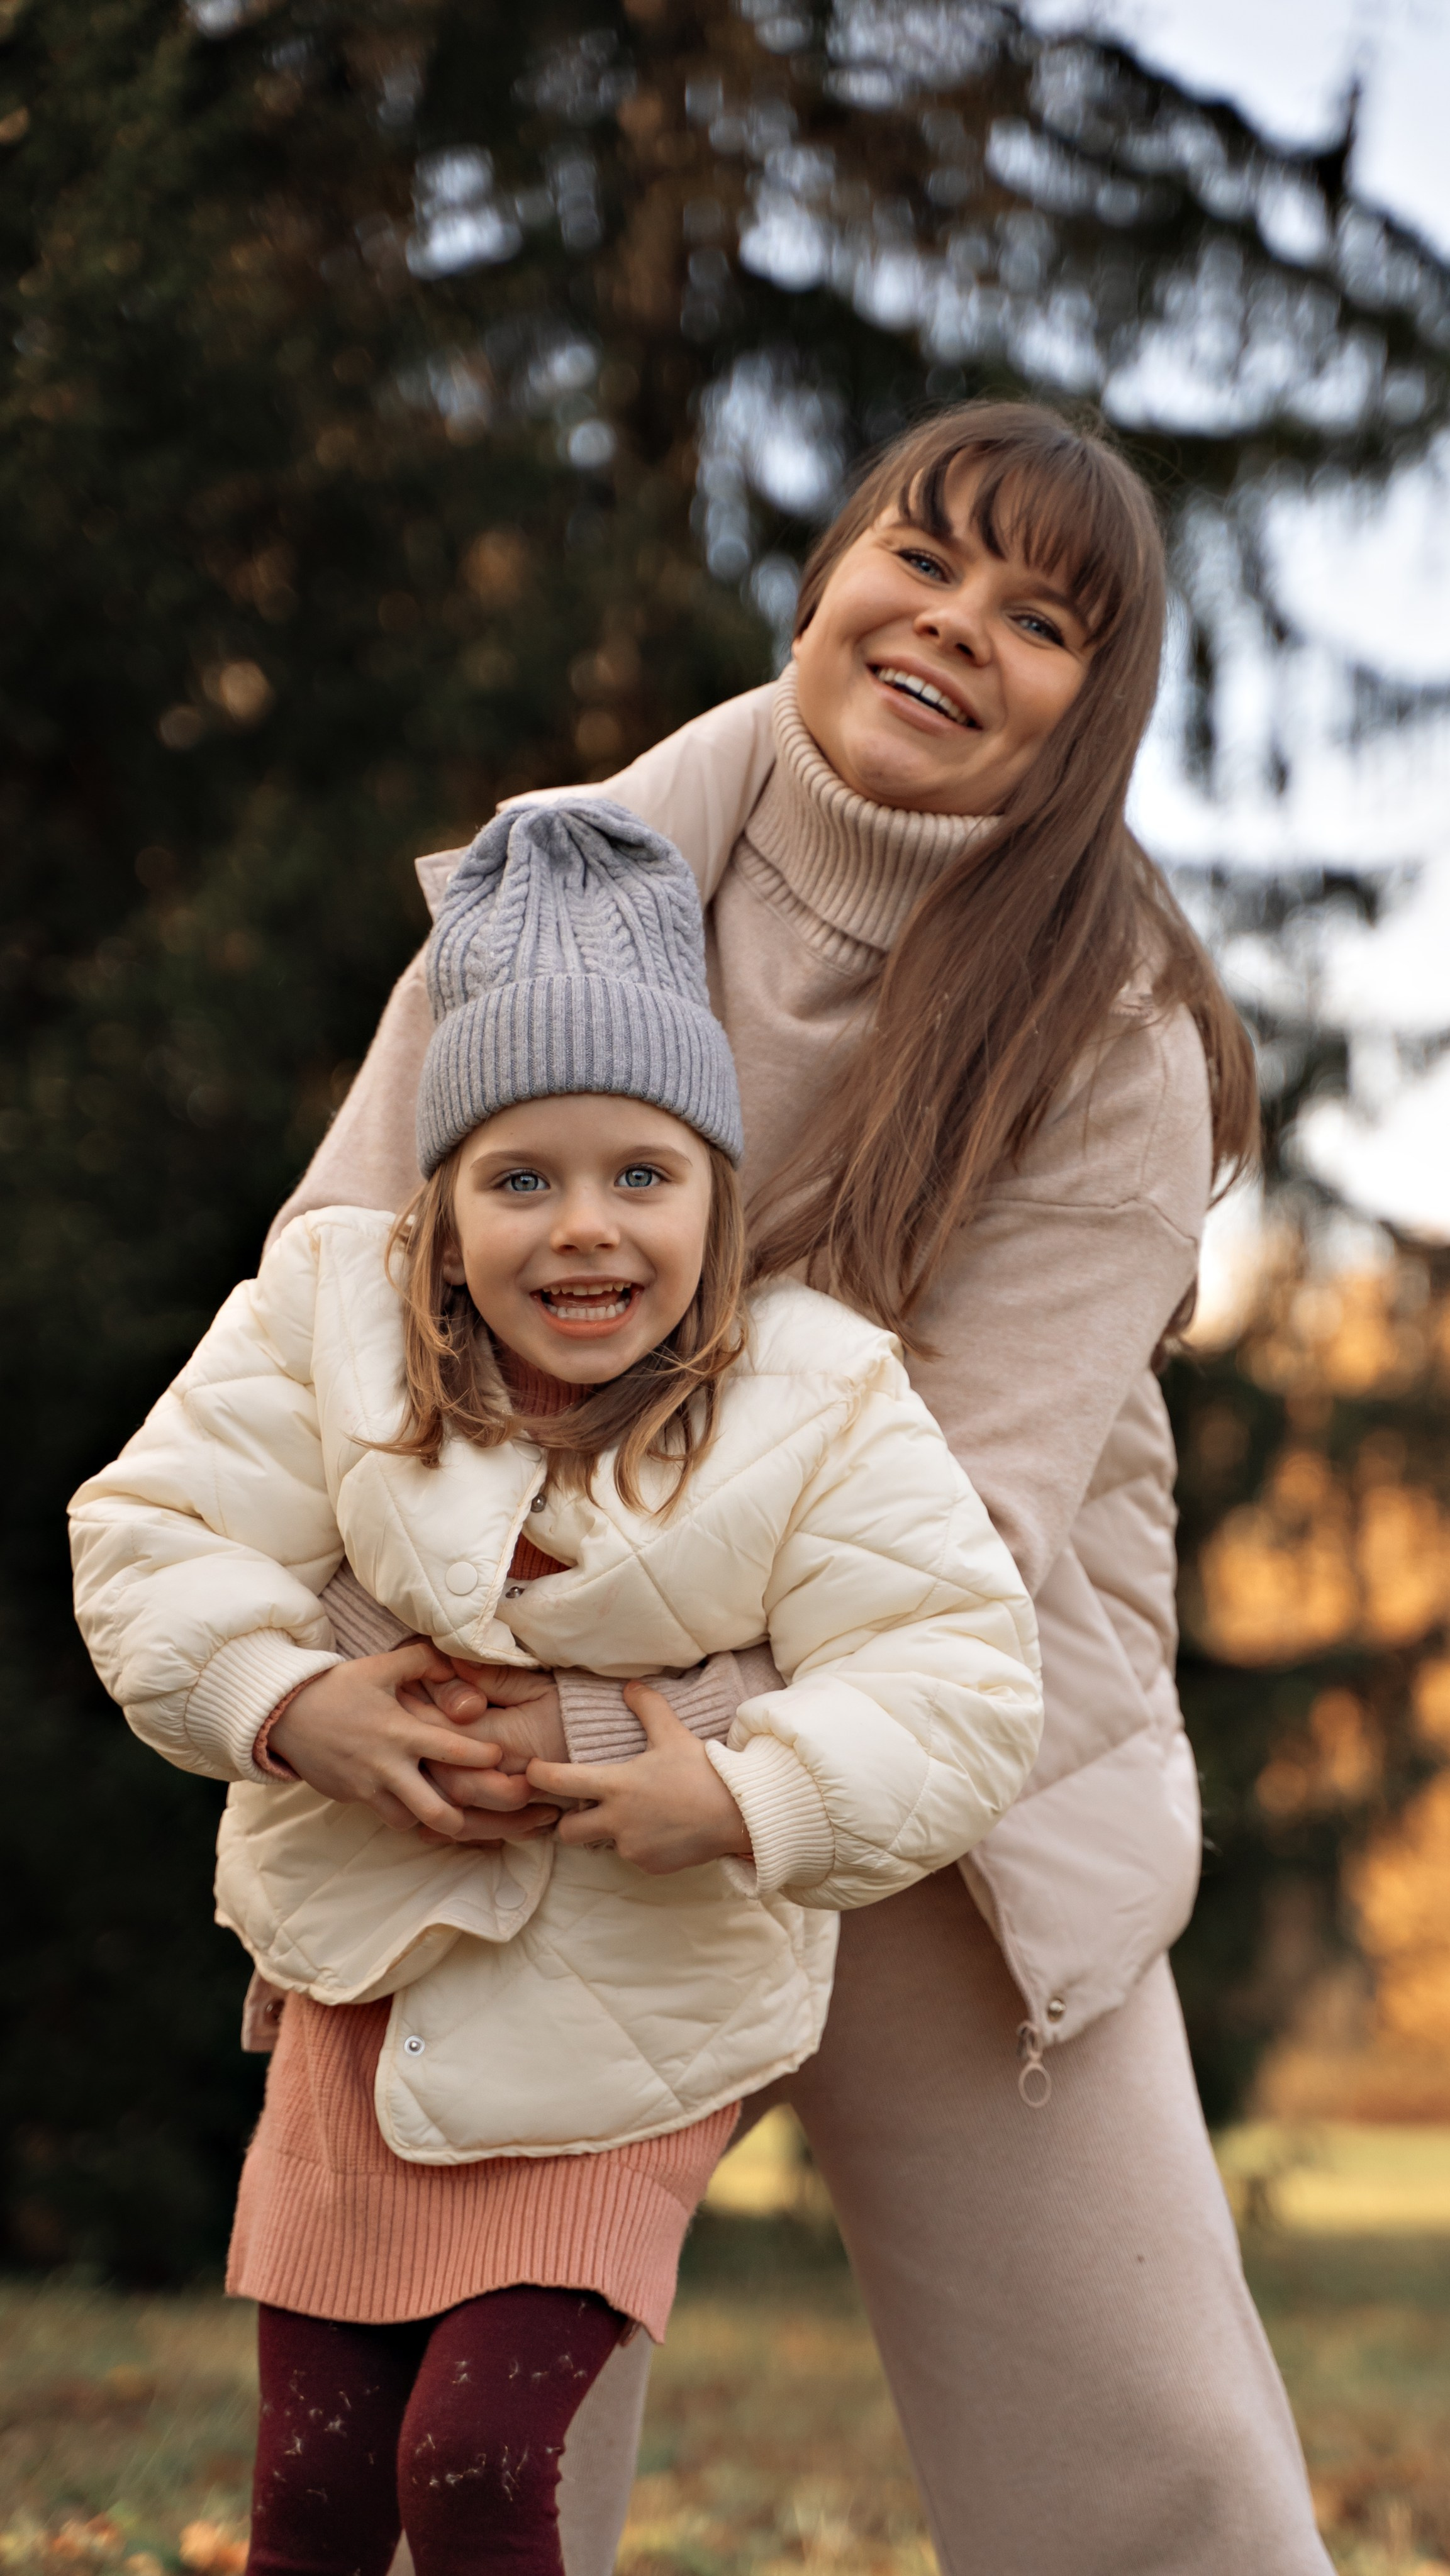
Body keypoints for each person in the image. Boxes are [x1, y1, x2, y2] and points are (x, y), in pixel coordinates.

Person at [259, 400, 1337, 2575]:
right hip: (494, 1728)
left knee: (1145, 2467)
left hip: (923, 1759)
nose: (953, 630)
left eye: (1041, 621)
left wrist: (641, 1741)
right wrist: (317, 1682)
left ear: (1091, 714)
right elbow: (338, 1291)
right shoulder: (565, 877)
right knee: (456, 2457)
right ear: (830, 566)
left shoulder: (1110, 1036)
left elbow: (962, 1532)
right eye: (920, 559)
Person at [69, 799, 1043, 2576]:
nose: (582, 1231)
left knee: (472, 2466)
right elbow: (155, 1531)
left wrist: (744, 1787)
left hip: (635, 2020)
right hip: (362, 1990)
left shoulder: (812, 1398)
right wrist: (291, 1699)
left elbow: (954, 1672)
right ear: (439, 1207)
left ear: (714, 1191)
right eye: (521, 1178)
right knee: (310, 2492)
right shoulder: (328, 1322)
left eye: (640, 1175)